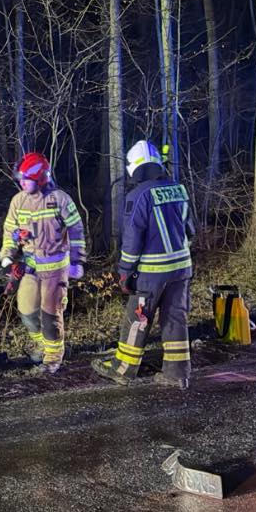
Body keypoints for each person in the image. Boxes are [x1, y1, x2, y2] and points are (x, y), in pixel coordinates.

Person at [92, 140, 194, 389]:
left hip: (151, 273)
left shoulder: (137, 196)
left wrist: (125, 272)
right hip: (182, 268)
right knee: (175, 317)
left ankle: (123, 370)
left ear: (134, 167)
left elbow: (133, 238)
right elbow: (191, 230)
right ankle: (177, 373)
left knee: (138, 318)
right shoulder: (178, 189)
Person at [0, 152, 85, 373]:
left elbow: (76, 230)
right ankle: (42, 346)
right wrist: (8, 253)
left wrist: (77, 261)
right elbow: (10, 229)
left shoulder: (60, 199)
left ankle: (53, 358)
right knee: (27, 311)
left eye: (25, 178)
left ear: (40, 177)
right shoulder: (18, 201)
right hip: (30, 268)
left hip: (56, 269)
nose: (21, 182)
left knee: (50, 315)